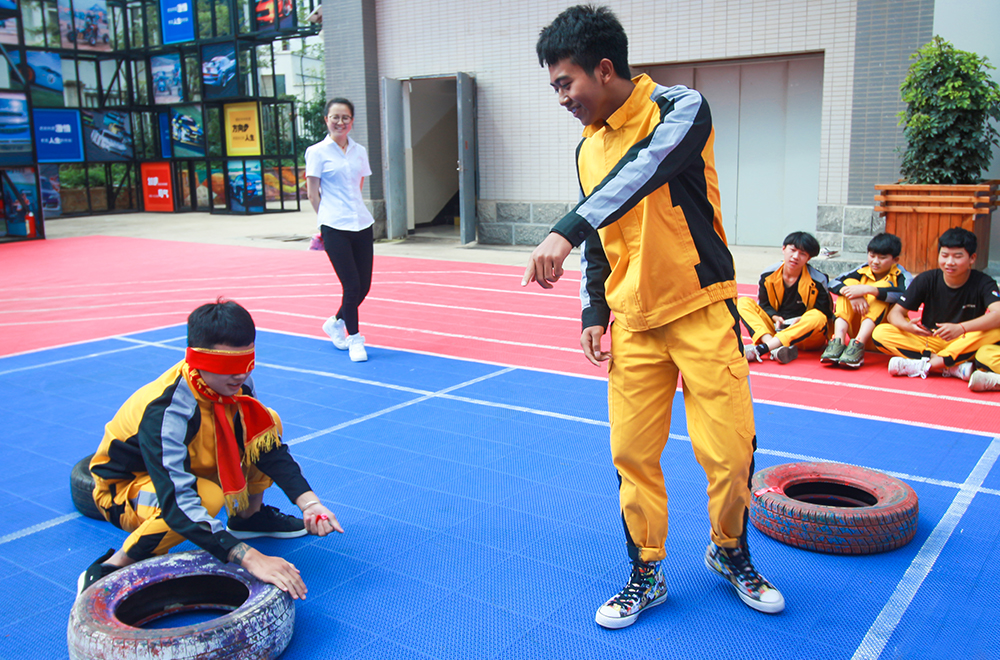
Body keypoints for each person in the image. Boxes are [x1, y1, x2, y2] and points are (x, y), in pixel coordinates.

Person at [525, 5, 784, 630]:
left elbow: (642, 171)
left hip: (701, 310)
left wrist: (564, 228)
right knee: (632, 456)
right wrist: (593, 308)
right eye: (555, 86)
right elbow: (601, 227)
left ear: (604, 68)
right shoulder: (586, 148)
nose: (562, 97)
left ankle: (729, 551)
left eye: (565, 83)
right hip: (634, 323)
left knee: (727, 454)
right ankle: (646, 569)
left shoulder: (681, 107)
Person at [79, 300, 343, 599]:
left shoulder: (234, 385)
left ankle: (248, 517)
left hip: (188, 464)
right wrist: (251, 558)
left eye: (246, 363)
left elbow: (268, 450)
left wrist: (310, 503)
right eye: (227, 367)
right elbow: (178, 502)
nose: (240, 376)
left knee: (266, 422)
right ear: (198, 360)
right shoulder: (166, 410)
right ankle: (113, 565)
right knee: (205, 497)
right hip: (124, 488)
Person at [873, 227, 1000, 381]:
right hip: (930, 338)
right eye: (944, 255)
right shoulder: (927, 279)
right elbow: (895, 313)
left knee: (995, 330)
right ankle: (951, 365)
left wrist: (961, 328)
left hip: (965, 339)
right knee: (881, 333)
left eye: (957, 256)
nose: (949, 262)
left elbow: (998, 313)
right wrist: (908, 327)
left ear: (972, 258)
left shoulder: (983, 282)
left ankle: (930, 365)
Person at [306, 97, 374, 362]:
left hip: (362, 224)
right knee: (351, 285)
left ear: (351, 121)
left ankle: (335, 321)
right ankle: (354, 338)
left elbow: (358, 185)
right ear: (326, 120)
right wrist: (325, 222)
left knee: (364, 286)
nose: (340, 122)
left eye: (345, 117)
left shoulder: (359, 151)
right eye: (335, 117)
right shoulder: (317, 151)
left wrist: (352, 209)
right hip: (334, 226)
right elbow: (313, 194)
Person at [737, 231, 833, 364]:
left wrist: (802, 319)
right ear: (783, 249)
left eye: (803, 254)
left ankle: (764, 348)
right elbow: (764, 305)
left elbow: (825, 314)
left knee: (817, 316)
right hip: (777, 328)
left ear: (808, 259)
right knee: (743, 302)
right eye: (792, 250)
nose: (795, 256)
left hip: (805, 336)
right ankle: (773, 346)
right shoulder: (768, 275)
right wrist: (774, 317)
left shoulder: (818, 280)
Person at [820, 233, 911, 368]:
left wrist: (869, 290)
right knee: (849, 284)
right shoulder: (862, 269)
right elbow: (833, 283)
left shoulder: (903, 276)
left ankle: (858, 344)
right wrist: (853, 293)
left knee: (883, 288)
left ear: (895, 259)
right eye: (872, 256)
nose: (875, 261)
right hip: (855, 329)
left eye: (882, 258)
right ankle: (838, 342)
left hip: (882, 334)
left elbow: (908, 296)